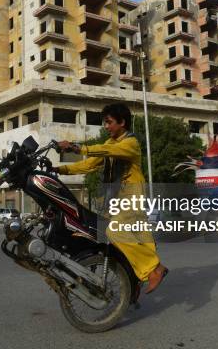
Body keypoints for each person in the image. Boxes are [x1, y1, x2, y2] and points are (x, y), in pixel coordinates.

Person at [53, 103, 168, 296]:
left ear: (122, 122)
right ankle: (134, 281)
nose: (106, 126)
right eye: (105, 123)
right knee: (138, 242)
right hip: (115, 201)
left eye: (109, 122)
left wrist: (74, 147)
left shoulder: (130, 143)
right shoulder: (110, 144)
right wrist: (59, 170)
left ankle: (154, 269)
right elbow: (89, 165)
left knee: (114, 233)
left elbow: (105, 152)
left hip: (131, 198)